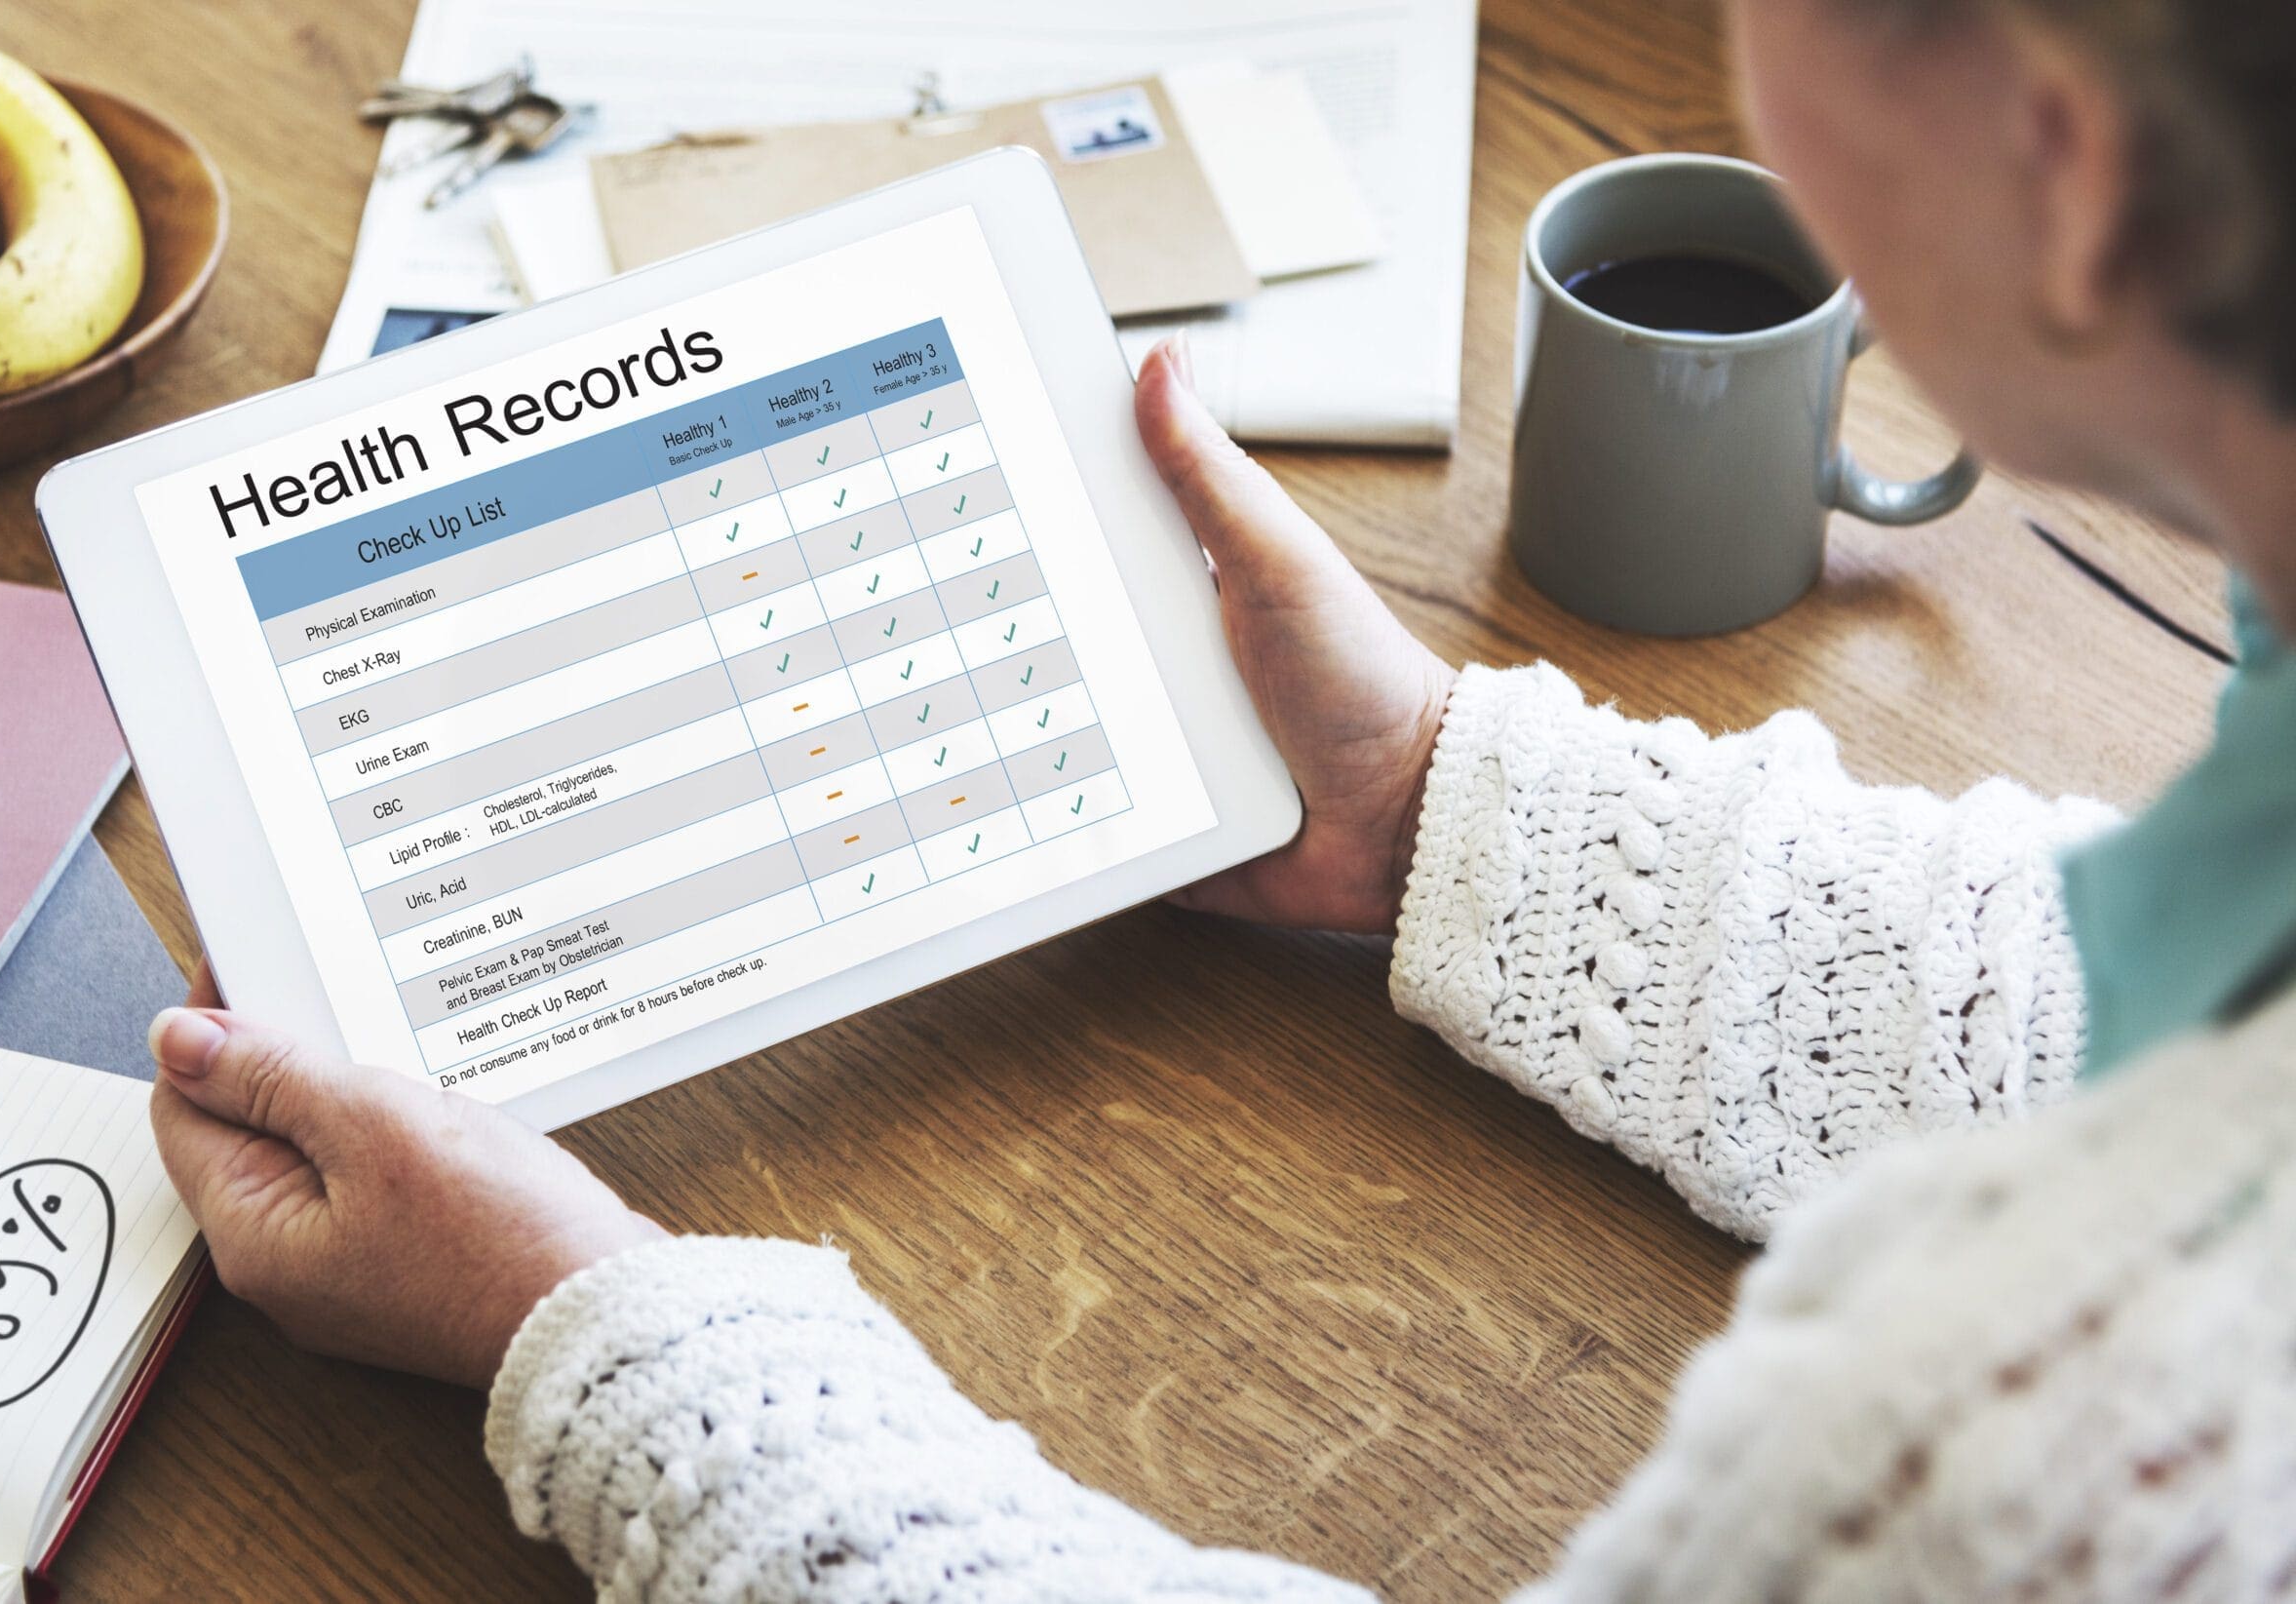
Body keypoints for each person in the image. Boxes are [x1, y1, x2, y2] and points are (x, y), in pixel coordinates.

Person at [147, 0, 2296, 1594]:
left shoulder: (2066, 1433)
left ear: (2065, 167)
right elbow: (2148, 1014)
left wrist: (585, 1334)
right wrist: (1441, 802)